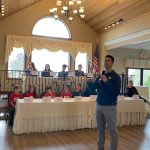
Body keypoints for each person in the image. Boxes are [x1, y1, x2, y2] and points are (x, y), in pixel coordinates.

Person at [91, 55, 121, 150]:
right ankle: (100, 148)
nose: (106, 62)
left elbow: (116, 92)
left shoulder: (116, 77)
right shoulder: (101, 76)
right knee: (100, 130)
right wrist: (96, 81)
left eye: (108, 61)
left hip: (110, 107)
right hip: (99, 105)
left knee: (112, 131)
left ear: (112, 63)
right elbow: (92, 89)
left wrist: (107, 82)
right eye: (105, 61)